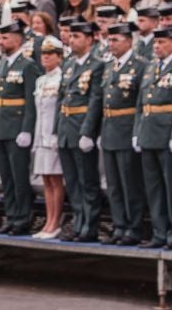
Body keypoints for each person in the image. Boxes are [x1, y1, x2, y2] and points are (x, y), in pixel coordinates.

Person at [85, 21, 146, 244]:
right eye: (109, 40)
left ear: (129, 41)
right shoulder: (109, 66)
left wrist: (138, 132)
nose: (111, 44)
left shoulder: (140, 65)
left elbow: (141, 103)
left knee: (130, 183)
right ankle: (119, 225)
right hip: (110, 128)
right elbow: (100, 100)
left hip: (127, 127)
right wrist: (92, 130)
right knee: (113, 185)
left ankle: (134, 227)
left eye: (116, 40)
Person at [135, 24, 172, 250]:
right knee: (154, 187)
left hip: (168, 131)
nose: (157, 46)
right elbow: (142, 103)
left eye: (162, 42)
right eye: (156, 42)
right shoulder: (151, 67)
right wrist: (137, 132)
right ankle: (160, 232)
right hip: (149, 131)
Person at [0, 21, 41, 236]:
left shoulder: (27, 65)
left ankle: (22, 217)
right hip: (1, 126)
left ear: (18, 39)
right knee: (6, 177)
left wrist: (27, 129)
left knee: (19, 177)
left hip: (17, 128)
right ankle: (11, 215)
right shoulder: (1, 65)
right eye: (0, 38)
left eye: (6, 38)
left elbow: (30, 101)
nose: (1, 42)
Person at [55, 20, 104, 241]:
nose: (72, 40)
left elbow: (95, 100)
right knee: (72, 181)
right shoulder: (68, 64)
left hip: (81, 125)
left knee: (87, 180)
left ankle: (89, 225)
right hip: (67, 126)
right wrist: (57, 127)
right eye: (71, 36)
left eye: (77, 37)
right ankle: (78, 221)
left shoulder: (97, 65)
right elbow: (61, 97)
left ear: (89, 39)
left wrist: (88, 131)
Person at [31, 36, 66, 235]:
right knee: (45, 179)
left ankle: (55, 222)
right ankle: (48, 221)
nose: (45, 57)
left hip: (53, 135)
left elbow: (60, 109)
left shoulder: (61, 78)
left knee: (55, 179)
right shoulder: (40, 80)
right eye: (43, 53)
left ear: (59, 57)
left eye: (50, 54)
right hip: (41, 134)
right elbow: (39, 111)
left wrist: (56, 133)